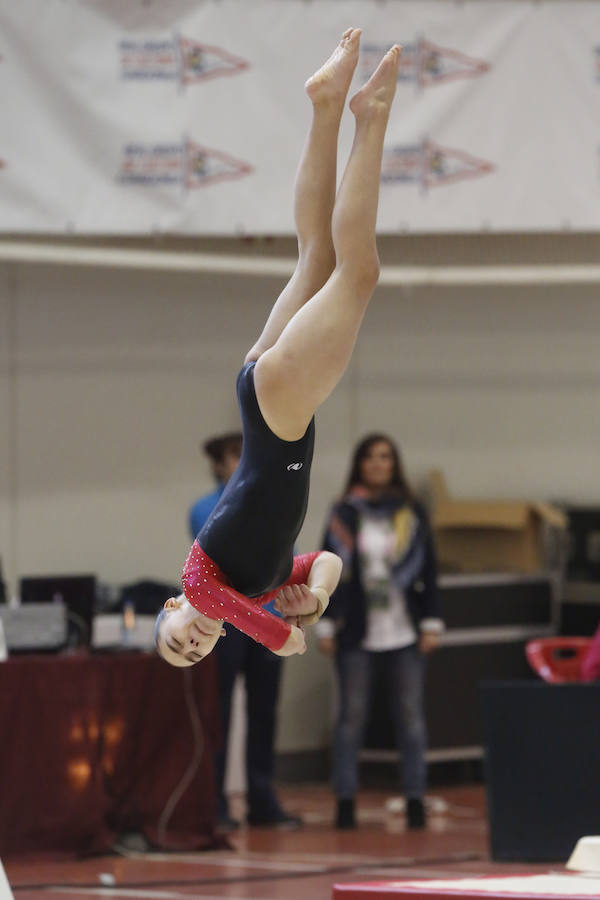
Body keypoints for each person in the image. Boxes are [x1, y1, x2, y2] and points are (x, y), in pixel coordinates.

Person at [154, 30, 403, 666]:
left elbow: (277, 636)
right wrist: (315, 596)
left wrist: (287, 632)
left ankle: (369, 118)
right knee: (318, 256)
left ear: (172, 609)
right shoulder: (252, 583)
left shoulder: (202, 585)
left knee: (358, 273)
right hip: (264, 395)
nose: (197, 640)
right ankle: (326, 105)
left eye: (179, 638)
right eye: (194, 654)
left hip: (279, 414)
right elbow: (326, 560)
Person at [317, 434, 443, 830]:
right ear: (359, 464)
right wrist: (324, 621)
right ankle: (345, 800)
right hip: (357, 631)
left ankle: (415, 799)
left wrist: (431, 622)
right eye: (370, 457)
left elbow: (430, 571)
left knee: (410, 718)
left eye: (385, 457)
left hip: (404, 630)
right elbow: (327, 568)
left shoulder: (412, 511)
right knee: (351, 717)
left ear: (394, 464)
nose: (377, 464)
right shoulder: (345, 511)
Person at [189, 432, 301, 829]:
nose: (242, 461)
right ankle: (215, 802)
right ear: (219, 464)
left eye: (246, 453)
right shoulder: (205, 507)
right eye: (234, 455)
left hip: (267, 616)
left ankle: (262, 799)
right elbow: (226, 555)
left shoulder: (273, 502)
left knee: (264, 712)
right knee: (218, 712)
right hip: (225, 623)